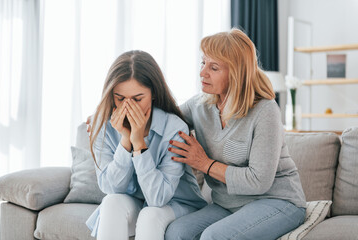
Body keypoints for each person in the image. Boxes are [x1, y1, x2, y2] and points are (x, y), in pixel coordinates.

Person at [165, 28, 307, 240]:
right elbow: (163, 119)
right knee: (177, 232)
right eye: (203, 63)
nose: (203, 72)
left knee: (214, 237)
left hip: (277, 201)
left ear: (236, 73)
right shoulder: (199, 105)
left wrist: (204, 163)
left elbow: (259, 181)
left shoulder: (265, 111)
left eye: (213, 67)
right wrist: (107, 115)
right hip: (227, 204)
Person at [85, 50, 207, 240]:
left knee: (150, 215)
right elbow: (111, 187)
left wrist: (139, 143)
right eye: (120, 98)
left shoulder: (174, 128)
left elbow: (157, 199)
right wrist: (125, 142)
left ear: (153, 95)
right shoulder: (102, 125)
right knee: (111, 202)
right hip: (135, 202)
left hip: (175, 204)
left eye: (137, 99)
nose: (128, 107)